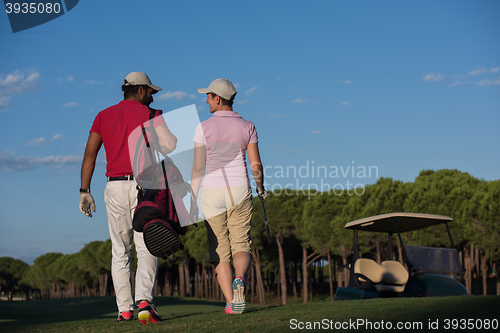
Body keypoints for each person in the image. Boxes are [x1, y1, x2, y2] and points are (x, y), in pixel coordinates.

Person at [79, 72, 177, 325]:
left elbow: (90, 155)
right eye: (151, 93)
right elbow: (170, 145)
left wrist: (84, 191)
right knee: (147, 248)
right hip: (147, 187)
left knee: (120, 252)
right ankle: (144, 302)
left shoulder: (103, 115)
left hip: (114, 188)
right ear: (142, 90)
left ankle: (124, 310)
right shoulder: (152, 115)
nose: (152, 97)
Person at [190, 78, 266, 314]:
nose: (206, 100)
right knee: (241, 243)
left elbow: (197, 168)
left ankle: (231, 302)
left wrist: (191, 198)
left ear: (218, 98)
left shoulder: (202, 127)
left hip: (212, 192)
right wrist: (261, 187)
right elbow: (256, 164)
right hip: (240, 190)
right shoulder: (248, 126)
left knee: (219, 250)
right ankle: (240, 278)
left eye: (209, 96)